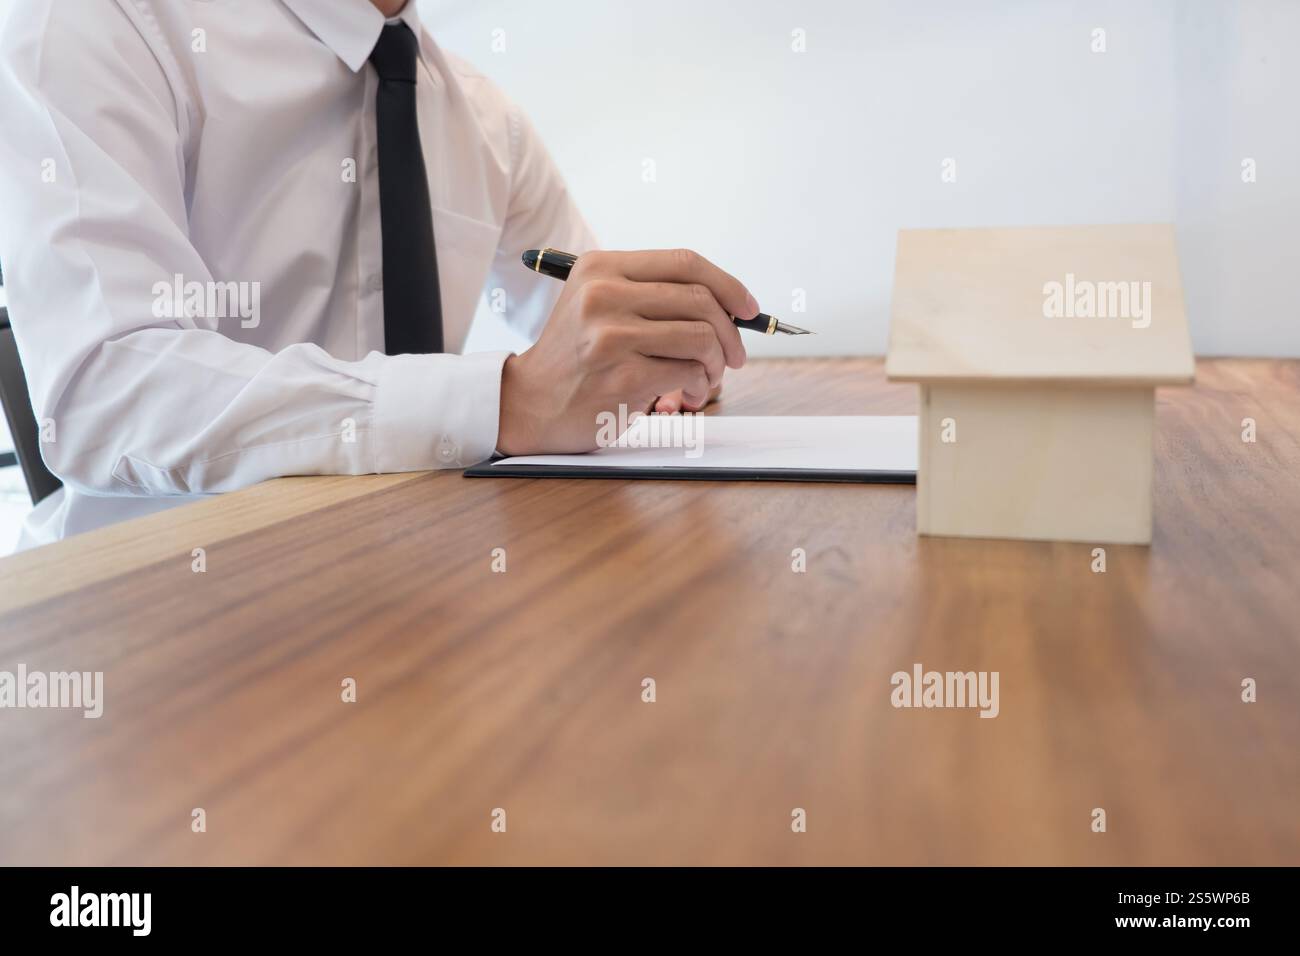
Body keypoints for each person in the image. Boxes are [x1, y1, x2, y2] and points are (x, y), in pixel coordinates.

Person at [0, 0, 755, 547]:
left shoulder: (490, 123)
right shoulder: (99, 21)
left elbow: (586, 344)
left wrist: (660, 352)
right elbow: (105, 392)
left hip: (417, 584)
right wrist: (505, 401)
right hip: (147, 621)